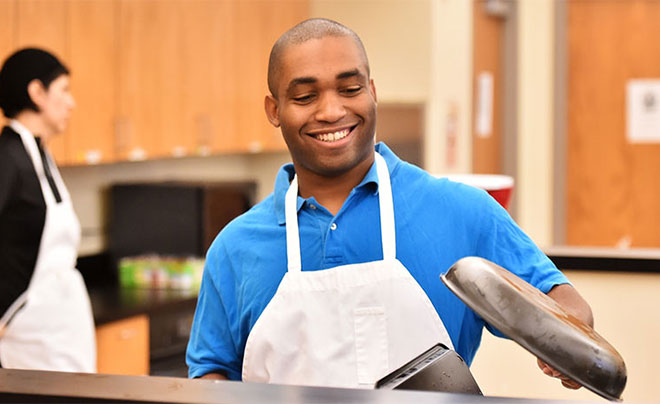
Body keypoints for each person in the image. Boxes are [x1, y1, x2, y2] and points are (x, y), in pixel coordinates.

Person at [186, 18, 592, 390]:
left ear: (372, 92)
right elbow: (210, 377)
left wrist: (568, 345)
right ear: (274, 110)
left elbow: (561, 300)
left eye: (350, 89)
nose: (332, 111)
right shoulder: (235, 249)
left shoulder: (463, 213)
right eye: (307, 96)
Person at [0, 48, 96, 372]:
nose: (72, 103)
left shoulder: (40, 154)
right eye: (64, 90)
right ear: (36, 92)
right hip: (28, 339)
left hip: (59, 334)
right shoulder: (8, 158)